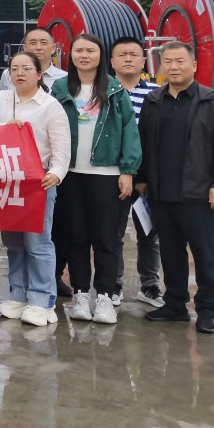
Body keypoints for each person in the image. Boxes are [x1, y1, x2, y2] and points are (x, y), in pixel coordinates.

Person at [50, 33, 141, 325]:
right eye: (79, 50)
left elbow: (129, 131)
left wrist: (127, 171)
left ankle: (104, 296)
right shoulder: (60, 88)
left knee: (106, 239)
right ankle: (80, 295)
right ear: (71, 55)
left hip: (106, 174)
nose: (84, 55)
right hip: (70, 174)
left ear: (101, 56)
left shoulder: (114, 89)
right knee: (76, 237)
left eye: (90, 50)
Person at [137, 41, 214, 335]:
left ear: (194, 65)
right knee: (171, 253)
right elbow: (144, 143)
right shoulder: (154, 101)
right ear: (161, 66)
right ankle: (175, 304)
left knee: (205, 254)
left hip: (199, 193)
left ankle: (208, 311)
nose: (174, 67)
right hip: (161, 193)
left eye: (180, 61)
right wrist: (142, 178)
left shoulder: (213, 101)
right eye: (168, 62)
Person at [0, 52, 70, 327]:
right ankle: (18, 294)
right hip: (6, 180)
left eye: (26, 68)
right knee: (13, 242)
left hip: (37, 182)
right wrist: (5, 127)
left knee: (37, 242)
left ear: (39, 74)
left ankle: (43, 300)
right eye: (14, 69)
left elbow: (61, 145)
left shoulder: (50, 106)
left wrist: (56, 173)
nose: (19, 73)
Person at [108, 35, 162, 307]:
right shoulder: (104, 92)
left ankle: (150, 286)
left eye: (134, 55)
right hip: (111, 176)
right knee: (112, 234)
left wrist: (145, 177)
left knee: (150, 234)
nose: (128, 59)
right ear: (112, 61)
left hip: (147, 179)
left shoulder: (157, 94)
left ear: (143, 61)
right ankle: (113, 285)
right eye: (122, 55)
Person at [0, 27, 65, 91]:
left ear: (53, 48)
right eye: (33, 43)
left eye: (43, 43)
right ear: (25, 48)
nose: (38, 47)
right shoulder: (9, 74)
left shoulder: (63, 77)